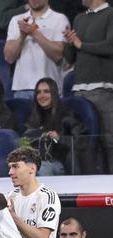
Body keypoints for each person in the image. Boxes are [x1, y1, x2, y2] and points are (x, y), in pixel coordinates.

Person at [63, 0, 113, 173]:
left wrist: (80, 44)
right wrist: (69, 42)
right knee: (82, 143)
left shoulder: (110, 14)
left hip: (103, 89)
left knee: (109, 141)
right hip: (79, 90)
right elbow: (70, 57)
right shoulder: (79, 18)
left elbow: (110, 46)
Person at [4, 0, 69, 99]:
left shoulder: (60, 19)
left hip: (49, 88)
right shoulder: (16, 20)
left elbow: (58, 55)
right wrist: (22, 37)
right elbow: (9, 57)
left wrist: (34, 33)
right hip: (22, 88)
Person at [24, 77, 86, 175]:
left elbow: (81, 142)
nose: (42, 96)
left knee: (41, 168)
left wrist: (59, 138)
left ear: (54, 94)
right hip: (37, 160)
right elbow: (23, 142)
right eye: (38, 92)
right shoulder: (32, 118)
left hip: (61, 163)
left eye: (46, 91)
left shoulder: (67, 116)